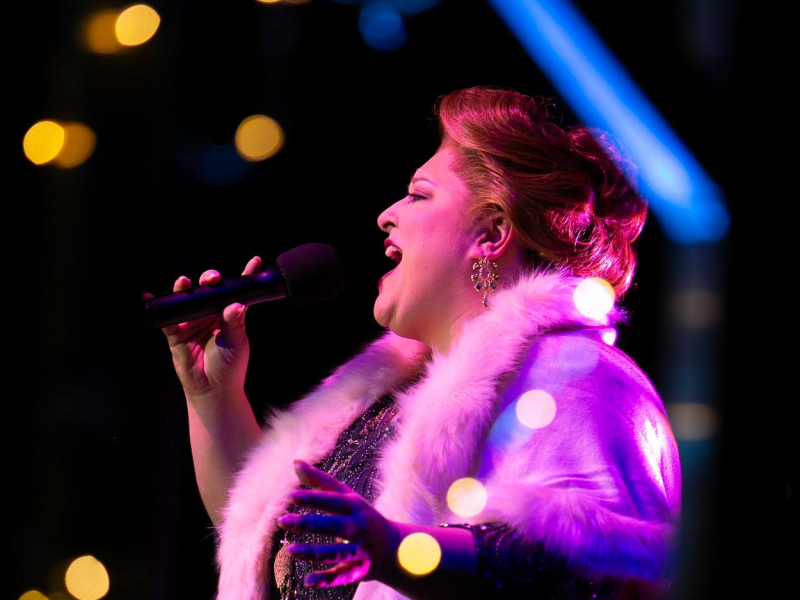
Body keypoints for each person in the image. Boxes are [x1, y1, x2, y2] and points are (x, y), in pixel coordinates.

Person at [160, 86, 682, 600]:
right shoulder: (382, 396)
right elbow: (262, 545)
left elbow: (585, 565)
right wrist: (213, 396)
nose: (386, 214)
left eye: (418, 194)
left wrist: (395, 550)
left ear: (493, 233)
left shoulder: (577, 375)